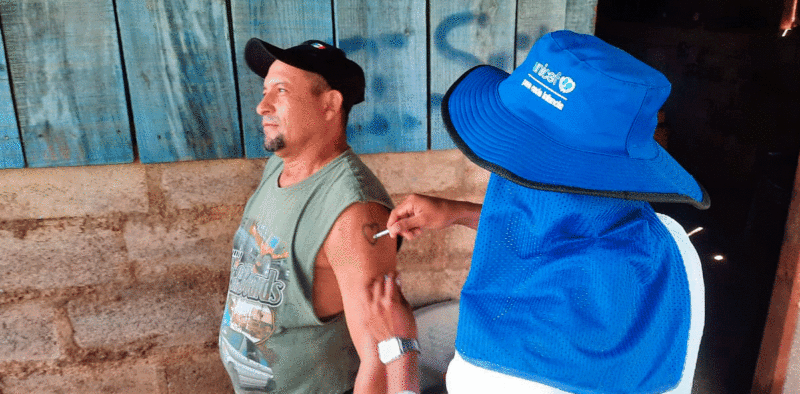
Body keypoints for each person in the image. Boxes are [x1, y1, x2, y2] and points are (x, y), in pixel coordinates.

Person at [365, 30, 709, 393]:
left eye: (512, 147)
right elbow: (565, 233)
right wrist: (458, 213)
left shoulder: (501, 367)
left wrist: (399, 348)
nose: (497, 167)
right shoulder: (673, 244)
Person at [218, 38, 410, 394]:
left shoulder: (353, 211)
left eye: (281, 91)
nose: (262, 106)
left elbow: (380, 355)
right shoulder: (279, 166)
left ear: (329, 104)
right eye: (264, 91)